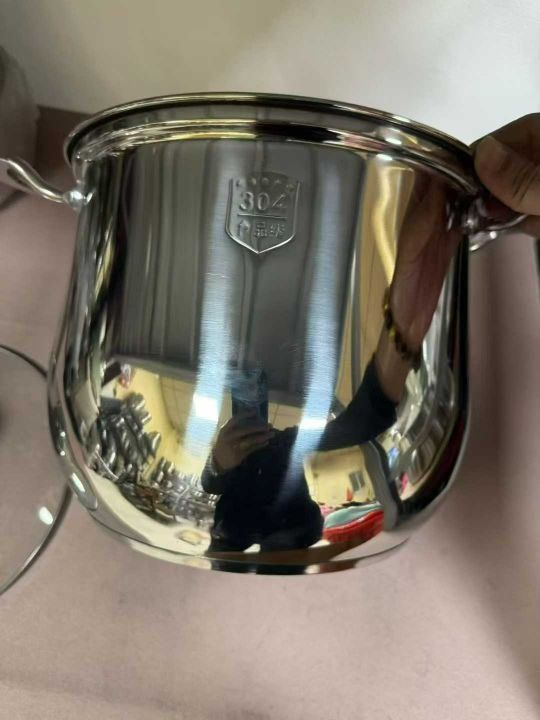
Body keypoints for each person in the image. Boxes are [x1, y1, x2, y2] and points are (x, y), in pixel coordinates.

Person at [202, 114, 540, 556]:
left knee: (246, 377)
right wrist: (404, 324)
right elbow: (365, 423)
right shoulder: (290, 448)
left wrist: (218, 462)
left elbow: (213, 487)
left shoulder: (266, 459)